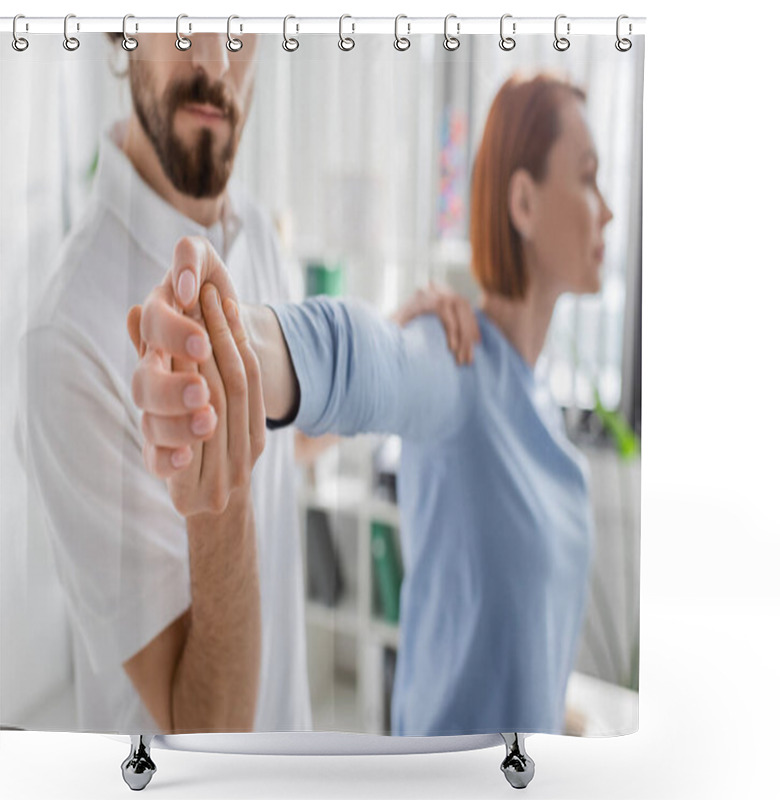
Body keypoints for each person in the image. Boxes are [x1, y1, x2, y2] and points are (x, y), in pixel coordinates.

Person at [16, 30, 476, 735]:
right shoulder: (66, 339)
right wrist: (216, 503)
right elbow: (205, 733)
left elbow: (280, 450)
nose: (213, 61)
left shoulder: (254, 228)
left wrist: (390, 343)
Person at [131, 71, 614, 736]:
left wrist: (555, 717)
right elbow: (362, 357)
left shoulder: (541, 395)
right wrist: (233, 343)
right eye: (587, 176)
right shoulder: (457, 360)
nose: (608, 208)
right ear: (524, 203)